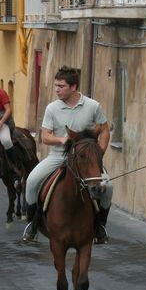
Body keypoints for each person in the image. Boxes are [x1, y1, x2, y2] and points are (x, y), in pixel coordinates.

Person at [21, 66, 112, 244]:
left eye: (61, 86)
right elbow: (45, 137)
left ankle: (100, 226)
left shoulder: (93, 106)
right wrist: (62, 140)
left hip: (85, 159)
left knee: (108, 187)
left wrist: (99, 154)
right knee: (31, 181)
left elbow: (105, 130)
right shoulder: (52, 108)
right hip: (58, 157)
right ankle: (32, 224)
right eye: (56, 85)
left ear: (73, 87)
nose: (57, 89)